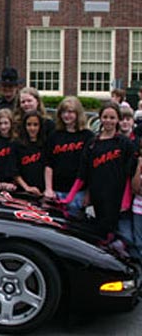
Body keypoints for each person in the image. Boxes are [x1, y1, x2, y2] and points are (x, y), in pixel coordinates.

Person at [61, 102, 136, 237]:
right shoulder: (92, 143)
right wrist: (70, 197)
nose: (108, 121)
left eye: (112, 118)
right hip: (97, 196)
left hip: (116, 196)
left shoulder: (125, 144)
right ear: (100, 118)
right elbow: (83, 174)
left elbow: (129, 174)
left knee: (123, 235)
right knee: (100, 233)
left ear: (118, 119)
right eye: (105, 117)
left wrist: (125, 200)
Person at [44, 97, 94, 217]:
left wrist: (88, 193)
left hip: (78, 193)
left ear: (78, 113)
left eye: (71, 112)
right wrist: (49, 189)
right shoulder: (54, 135)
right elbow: (48, 164)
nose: (67, 115)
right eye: (64, 112)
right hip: (57, 191)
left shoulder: (88, 136)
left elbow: (91, 168)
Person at [13, 111, 46, 195]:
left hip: (42, 191)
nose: (32, 128)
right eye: (29, 124)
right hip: (22, 190)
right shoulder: (16, 144)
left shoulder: (46, 144)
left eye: (35, 125)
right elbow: (14, 170)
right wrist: (26, 187)